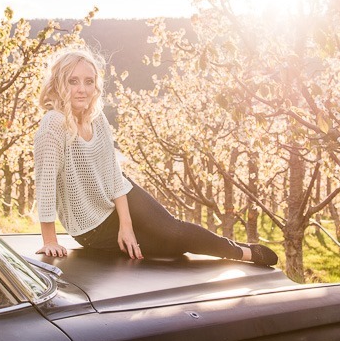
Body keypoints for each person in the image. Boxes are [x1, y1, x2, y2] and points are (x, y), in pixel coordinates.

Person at [34, 47, 278, 266]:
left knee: (173, 231)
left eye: (89, 81)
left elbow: (112, 172)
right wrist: (50, 240)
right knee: (168, 250)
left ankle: (243, 252)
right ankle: (237, 251)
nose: (82, 89)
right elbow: (46, 183)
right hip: (91, 223)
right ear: (58, 84)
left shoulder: (97, 118)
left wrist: (126, 226)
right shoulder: (54, 124)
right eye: (73, 81)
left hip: (120, 193)